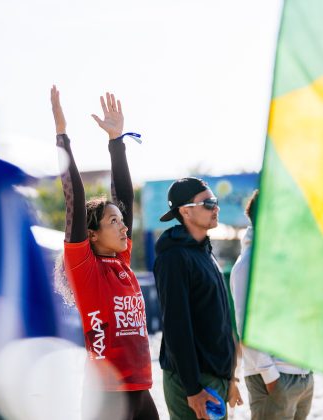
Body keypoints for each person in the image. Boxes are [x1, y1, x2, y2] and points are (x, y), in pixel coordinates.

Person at [50, 85, 159, 420]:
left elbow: (123, 195)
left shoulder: (120, 263)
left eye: (124, 221)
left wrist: (116, 141)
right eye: (114, 222)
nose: (124, 226)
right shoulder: (85, 268)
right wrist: (62, 135)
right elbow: (75, 200)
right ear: (92, 234)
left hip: (142, 391)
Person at [153, 178, 243, 419]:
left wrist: (230, 376)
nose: (216, 207)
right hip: (193, 382)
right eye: (208, 203)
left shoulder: (204, 251)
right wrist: (193, 389)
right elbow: (176, 327)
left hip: (215, 377)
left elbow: (222, 320)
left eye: (216, 202)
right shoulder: (174, 258)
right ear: (185, 211)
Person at [230, 190, 314, 420]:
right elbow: (244, 325)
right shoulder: (247, 264)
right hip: (274, 378)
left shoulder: (285, 259)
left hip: (302, 375)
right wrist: (271, 377)